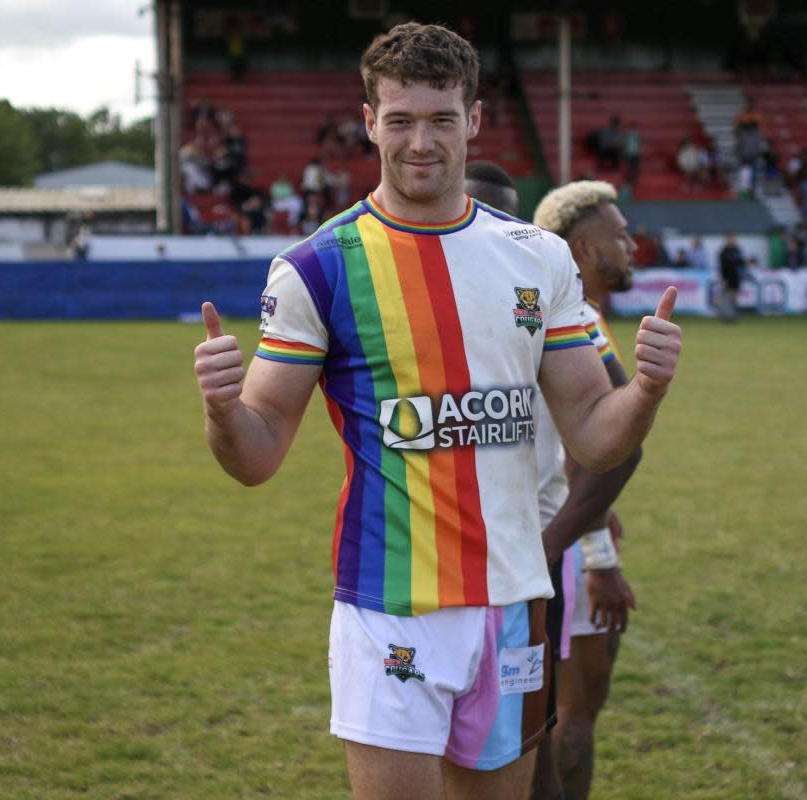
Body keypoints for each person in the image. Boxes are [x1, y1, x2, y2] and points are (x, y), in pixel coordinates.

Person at [192, 22, 682, 800]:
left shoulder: (538, 257)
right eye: (401, 120)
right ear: (369, 122)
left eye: (441, 119)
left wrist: (645, 392)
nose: (421, 142)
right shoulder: (317, 268)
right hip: (392, 611)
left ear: (474, 120)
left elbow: (593, 434)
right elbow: (256, 456)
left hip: (516, 601)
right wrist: (223, 410)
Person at [530, 180, 644, 800]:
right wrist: (598, 556)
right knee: (570, 716)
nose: (630, 246)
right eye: (618, 235)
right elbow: (595, 454)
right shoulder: (579, 321)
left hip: (548, 530)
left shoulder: (549, 313)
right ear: (580, 249)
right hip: (562, 540)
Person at [717, 233, 745, 321]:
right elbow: (722, 267)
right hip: (727, 278)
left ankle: (732, 316)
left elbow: (740, 262)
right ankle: (725, 316)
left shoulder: (737, 251)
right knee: (726, 298)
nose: (733, 241)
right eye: (732, 239)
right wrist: (723, 278)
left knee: (734, 298)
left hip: (735, 278)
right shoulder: (723, 252)